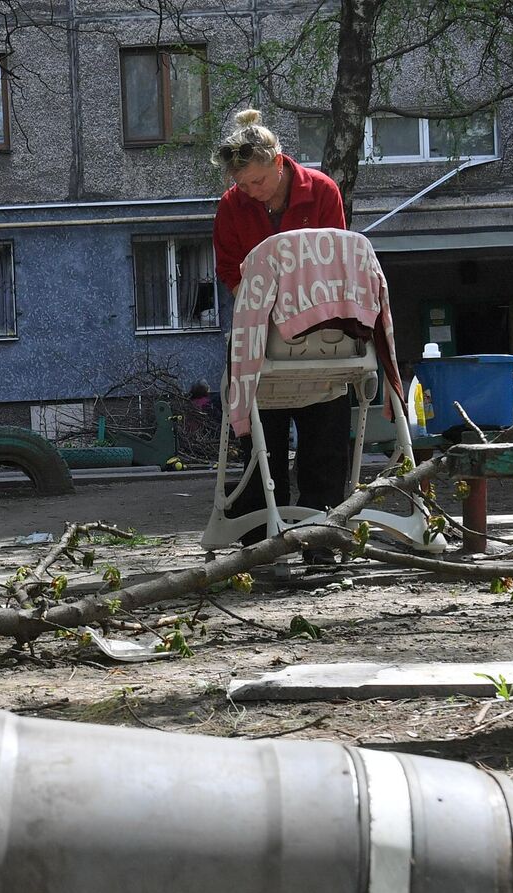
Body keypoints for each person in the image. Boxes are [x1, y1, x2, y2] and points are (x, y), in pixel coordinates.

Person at [210, 108, 350, 560]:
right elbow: (230, 268)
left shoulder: (322, 191)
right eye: (243, 184)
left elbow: (334, 257)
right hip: (259, 336)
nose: (252, 192)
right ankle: (261, 549)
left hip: (319, 329)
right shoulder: (232, 205)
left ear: (278, 161)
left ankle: (321, 543)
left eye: (259, 182)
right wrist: (258, 311)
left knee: (324, 442)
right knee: (257, 446)